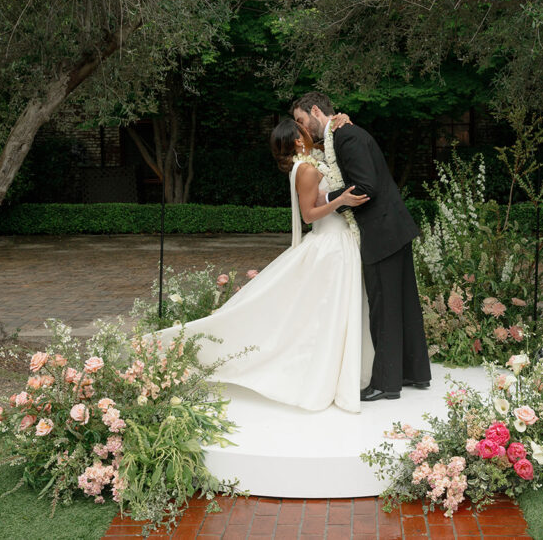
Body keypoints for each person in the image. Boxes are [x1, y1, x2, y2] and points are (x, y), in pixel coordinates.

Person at [148, 116, 374, 413]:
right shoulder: (305, 170)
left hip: (337, 241)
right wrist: (340, 199)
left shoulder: (309, 162)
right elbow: (309, 215)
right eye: (303, 129)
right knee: (327, 310)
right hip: (330, 243)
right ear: (296, 139)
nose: (307, 130)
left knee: (330, 310)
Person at [291, 92, 432, 402]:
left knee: (385, 308)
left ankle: (386, 383)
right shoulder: (341, 135)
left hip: (382, 231)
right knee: (402, 304)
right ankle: (413, 373)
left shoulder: (347, 137)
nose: (302, 128)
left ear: (316, 110)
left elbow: (365, 186)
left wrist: (326, 199)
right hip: (391, 228)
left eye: (302, 120)